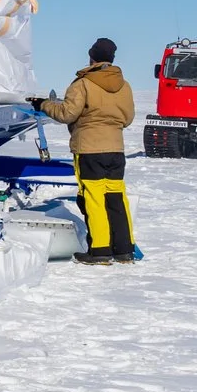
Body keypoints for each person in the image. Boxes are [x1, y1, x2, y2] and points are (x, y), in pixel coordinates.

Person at [32, 38, 139, 264]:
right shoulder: (125, 85)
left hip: (89, 149)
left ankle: (99, 251)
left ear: (92, 57)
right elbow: (128, 118)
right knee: (116, 198)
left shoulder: (83, 83)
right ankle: (124, 250)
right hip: (116, 150)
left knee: (94, 198)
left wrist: (43, 104)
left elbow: (67, 114)